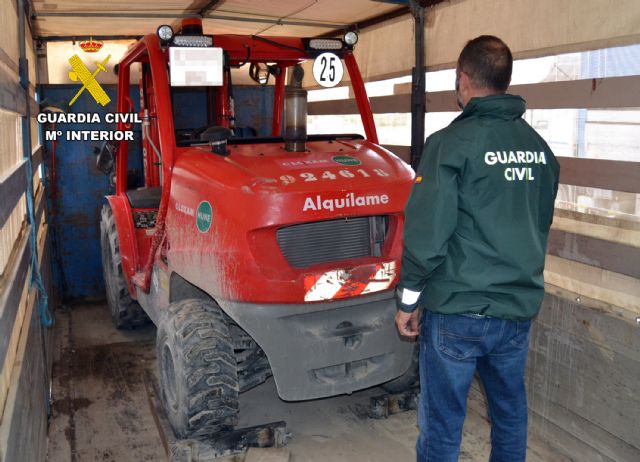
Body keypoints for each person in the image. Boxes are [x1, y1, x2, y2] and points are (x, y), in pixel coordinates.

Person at [394, 35, 560, 462]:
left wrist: (408, 298)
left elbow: (428, 233)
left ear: (462, 80)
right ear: (505, 81)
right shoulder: (541, 152)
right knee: (509, 414)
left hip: (458, 313)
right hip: (516, 311)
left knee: (443, 425)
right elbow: (538, 225)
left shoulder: (450, 144)